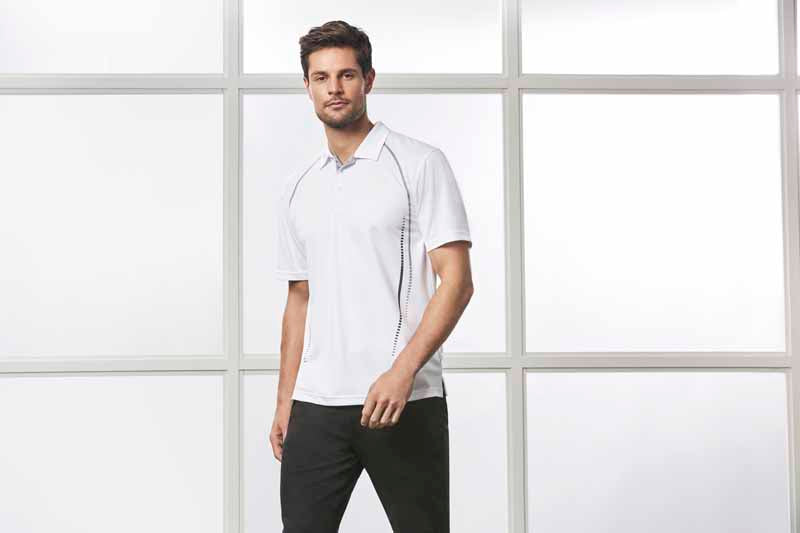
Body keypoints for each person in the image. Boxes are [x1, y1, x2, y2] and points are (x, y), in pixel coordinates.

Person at [269, 19, 474, 533]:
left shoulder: (419, 163)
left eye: (346, 75)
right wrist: (285, 402)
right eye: (321, 78)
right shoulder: (298, 186)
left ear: (369, 80)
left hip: (403, 399)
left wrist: (402, 373)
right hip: (316, 405)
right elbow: (299, 298)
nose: (334, 88)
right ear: (307, 87)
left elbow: (456, 282)